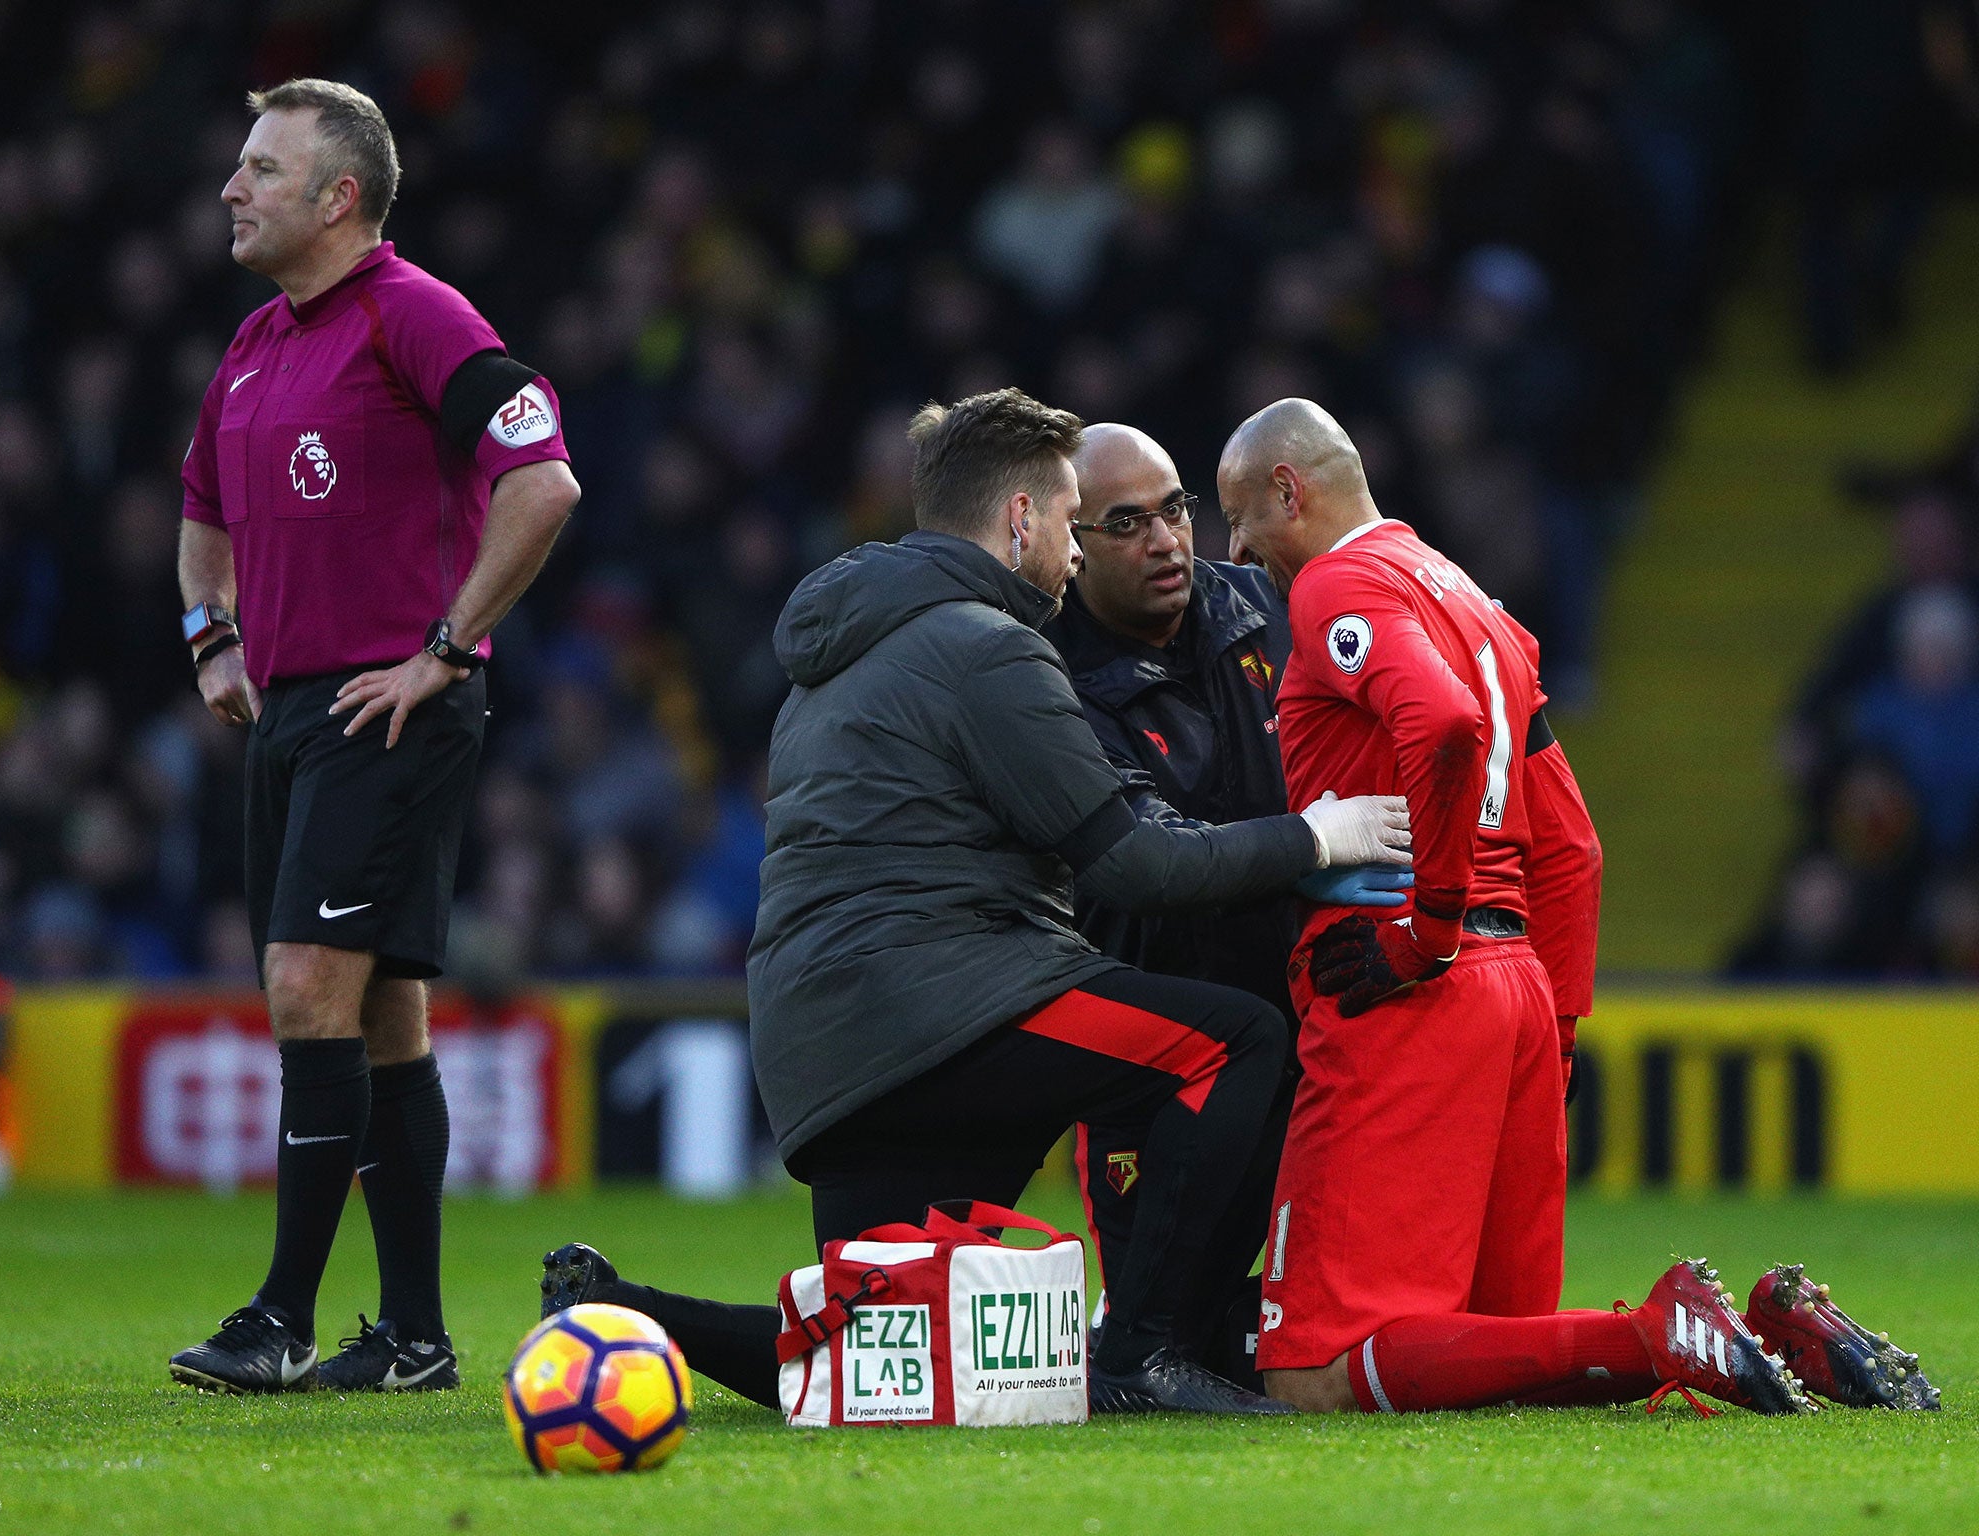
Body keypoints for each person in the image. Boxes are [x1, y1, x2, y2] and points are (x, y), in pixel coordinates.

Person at [540, 388, 1414, 1416]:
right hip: (945, 997)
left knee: (882, 1347)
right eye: (1072, 521)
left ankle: (617, 1312)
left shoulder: (840, 652)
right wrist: (1321, 835)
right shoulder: (987, 648)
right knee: (1231, 1041)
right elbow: (1131, 865)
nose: (1079, 557)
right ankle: (1141, 1348)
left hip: (827, 1042)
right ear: (1021, 520)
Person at [1218, 397, 1932, 1415]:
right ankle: (1769, 1328)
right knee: (1497, 1356)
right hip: (1512, 987)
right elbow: (1570, 847)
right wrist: (1550, 1032)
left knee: (1312, 1373)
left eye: (1240, 514)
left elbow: (1443, 721)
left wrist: (1423, 932)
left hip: (1403, 979)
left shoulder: (1339, 584)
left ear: (1289, 489)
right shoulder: (1476, 603)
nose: (1235, 546)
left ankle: (1659, 1335)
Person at [167, 80, 580, 1394]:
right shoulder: (251, 345)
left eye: (261, 168)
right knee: (384, 1018)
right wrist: (208, 635)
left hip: (387, 707)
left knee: (305, 990)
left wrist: (444, 650)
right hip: (293, 713)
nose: (233, 188)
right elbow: (199, 507)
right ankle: (413, 1338)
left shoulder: (415, 313)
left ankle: (280, 1317)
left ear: (339, 197)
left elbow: (544, 479)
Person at [1040, 422, 1409, 1380]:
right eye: (1126, 524)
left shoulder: (1265, 606)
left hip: (1309, 1022)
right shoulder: (1047, 684)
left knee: (1352, 1296)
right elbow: (1157, 857)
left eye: (1175, 509)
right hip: (1156, 1046)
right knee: (1165, 1329)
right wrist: (1310, 849)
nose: (1166, 540)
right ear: (1071, 548)